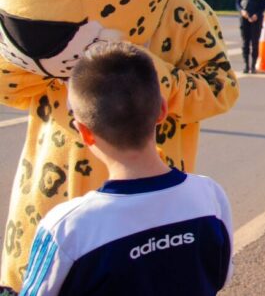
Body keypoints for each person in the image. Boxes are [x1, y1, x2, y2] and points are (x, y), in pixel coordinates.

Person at [19, 42, 233, 296]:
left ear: (84, 132)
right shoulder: (210, 197)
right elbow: (220, 275)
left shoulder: (67, 229)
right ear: (162, 110)